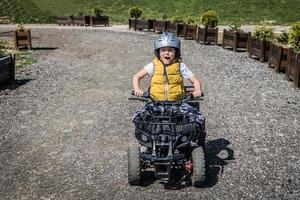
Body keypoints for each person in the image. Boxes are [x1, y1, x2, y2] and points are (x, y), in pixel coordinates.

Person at [132, 32, 205, 145]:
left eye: (170, 50)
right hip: (156, 103)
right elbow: (137, 76)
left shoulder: (181, 66)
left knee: (198, 118)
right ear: (158, 52)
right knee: (138, 117)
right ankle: (149, 141)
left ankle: (193, 142)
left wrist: (197, 91)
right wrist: (138, 89)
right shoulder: (153, 65)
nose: (167, 53)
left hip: (178, 103)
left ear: (176, 52)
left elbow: (195, 80)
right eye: (163, 50)